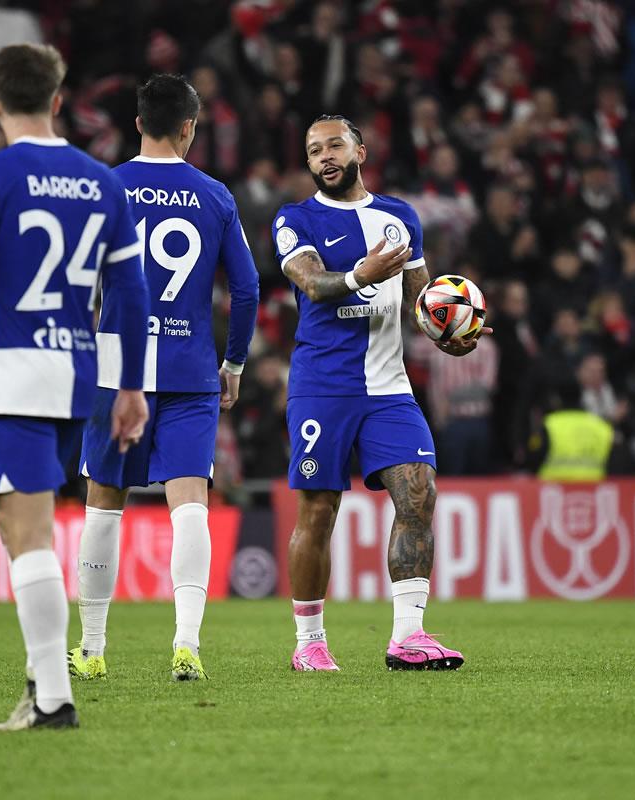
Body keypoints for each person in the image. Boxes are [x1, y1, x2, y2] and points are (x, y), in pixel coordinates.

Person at [0, 44, 150, 730]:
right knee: (26, 536)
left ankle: (52, 698)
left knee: (28, 534)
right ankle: (43, 685)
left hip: (13, 373)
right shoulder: (101, 180)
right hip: (78, 375)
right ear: (55, 100)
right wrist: (130, 385)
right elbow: (129, 292)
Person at [271, 116, 487, 672]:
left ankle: (409, 637)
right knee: (319, 509)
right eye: (314, 149)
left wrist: (450, 334)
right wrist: (358, 276)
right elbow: (314, 285)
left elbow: (422, 304)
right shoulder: (294, 220)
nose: (323, 156)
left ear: (360, 150)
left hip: (389, 387)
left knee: (419, 493)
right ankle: (310, 643)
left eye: (334, 145)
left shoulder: (399, 218)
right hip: (324, 388)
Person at [69, 74, 259, 682]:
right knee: (190, 507)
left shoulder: (108, 186)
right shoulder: (214, 194)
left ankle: (93, 651)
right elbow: (248, 288)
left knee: (104, 505)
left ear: (137, 124)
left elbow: (79, 279)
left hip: (117, 366)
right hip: (189, 370)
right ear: (189, 129)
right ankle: (186, 647)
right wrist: (233, 364)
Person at [531, 381, 615, 481]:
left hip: (554, 490)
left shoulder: (549, 423)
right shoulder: (601, 426)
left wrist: (534, 434)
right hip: (594, 489)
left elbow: (534, 455)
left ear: (557, 400)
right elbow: (614, 462)